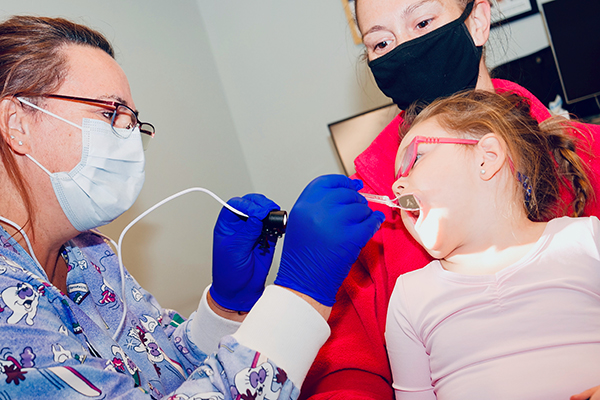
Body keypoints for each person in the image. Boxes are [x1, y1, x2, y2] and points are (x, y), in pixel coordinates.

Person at [0, 15, 385, 399]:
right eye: (108, 112)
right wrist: (302, 293)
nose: (128, 135)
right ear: (16, 122)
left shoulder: (90, 255)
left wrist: (224, 305)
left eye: (132, 121)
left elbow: (165, 367)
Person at [300, 0, 600, 399]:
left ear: (476, 21)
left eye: (422, 22)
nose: (405, 51)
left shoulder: (588, 162)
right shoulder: (371, 215)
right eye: (381, 43)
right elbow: (347, 373)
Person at [385, 89, 599, 399]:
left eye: (415, 158)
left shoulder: (586, 241)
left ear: (488, 158)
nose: (396, 185)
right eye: (396, 177)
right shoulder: (409, 296)